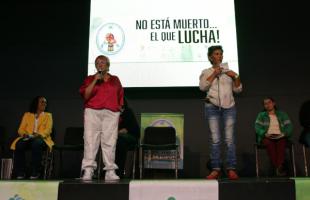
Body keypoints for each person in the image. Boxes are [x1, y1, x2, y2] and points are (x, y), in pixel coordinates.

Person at [199, 45, 242, 180]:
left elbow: (238, 89)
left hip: (229, 107)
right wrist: (214, 73)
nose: (220, 56)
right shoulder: (206, 71)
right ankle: (216, 169)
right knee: (215, 140)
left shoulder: (229, 72)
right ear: (211, 57)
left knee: (229, 139)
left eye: (221, 54)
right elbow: (202, 87)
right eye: (217, 54)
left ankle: (231, 168)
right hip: (212, 107)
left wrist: (236, 76)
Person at [79, 55, 124, 181]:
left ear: (108, 65)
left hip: (111, 113)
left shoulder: (115, 79)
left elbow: (120, 95)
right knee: (90, 140)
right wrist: (95, 80)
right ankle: (88, 170)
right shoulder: (90, 79)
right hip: (92, 111)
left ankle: (110, 171)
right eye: (97, 62)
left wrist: (119, 107)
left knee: (110, 141)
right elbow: (86, 95)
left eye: (103, 62)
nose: (100, 64)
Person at [10, 96, 54, 179]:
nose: (44, 104)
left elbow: (48, 130)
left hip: (42, 138)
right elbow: (20, 129)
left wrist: (39, 135)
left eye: (45, 102)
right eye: (42, 102)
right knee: (19, 144)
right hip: (28, 138)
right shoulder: (27, 115)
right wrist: (24, 134)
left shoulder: (48, 116)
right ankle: (20, 172)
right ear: (36, 103)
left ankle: (35, 171)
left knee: (36, 143)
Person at [255, 97, 293, 176]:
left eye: (269, 102)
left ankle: (278, 167)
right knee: (269, 143)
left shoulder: (282, 114)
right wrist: (264, 134)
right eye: (265, 104)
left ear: (273, 103)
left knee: (281, 142)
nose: (267, 105)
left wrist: (285, 133)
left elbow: (289, 126)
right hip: (267, 136)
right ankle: (279, 167)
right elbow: (257, 127)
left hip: (280, 135)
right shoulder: (261, 115)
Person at [115, 98, 140, 178]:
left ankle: (119, 172)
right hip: (118, 137)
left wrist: (122, 131)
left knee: (120, 142)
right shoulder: (112, 113)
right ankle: (110, 170)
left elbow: (131, 129)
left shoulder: (128, 112)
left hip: (131, 136)